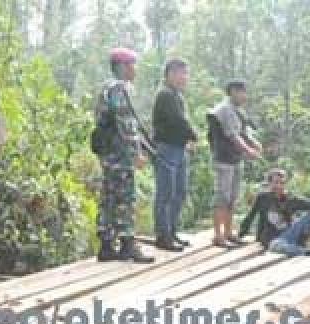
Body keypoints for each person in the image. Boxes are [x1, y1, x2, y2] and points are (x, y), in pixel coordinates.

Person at [93, 47, 153, 262]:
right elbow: (126, 125)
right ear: (123, 67)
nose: (134, 70)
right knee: (125, 198)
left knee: (108, 197)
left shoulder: (105, 89)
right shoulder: (118, 89)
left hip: (108, 154)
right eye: (131, 65)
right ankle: (127, 243)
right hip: (119, 155)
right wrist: (136, 152)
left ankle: (107, 245)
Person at [207, 79, 262, 248]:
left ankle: (229, 232)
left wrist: (254, 143)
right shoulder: (224, 110)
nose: (244, 96)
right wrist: (248, 150)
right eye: (241, 92)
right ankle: (218, 235)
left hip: (235, 159)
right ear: (232, 92)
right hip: (223, 159)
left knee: (232, 197)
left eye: (245, 92)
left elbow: (243, 132)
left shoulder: (238, 111)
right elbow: (233, 135)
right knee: (222, 197)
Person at [152, 58, 198, 252]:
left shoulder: (177, 96)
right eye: (180, 73)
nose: (184, 78)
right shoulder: (165, 95)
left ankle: (172, 231)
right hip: (166, 149)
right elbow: (178, 121)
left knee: (180, 192)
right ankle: (163, 235)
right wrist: (193, 135)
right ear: (170, 74)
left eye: (186, 73)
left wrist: (187, 140)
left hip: (179, 149)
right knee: (166, 193)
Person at [238, 168, 310, 256]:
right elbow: (250, 216)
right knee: (276, 246)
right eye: (276, 182)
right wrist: (241, 234)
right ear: (269, 183)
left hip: (289, 233)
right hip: (272, 239)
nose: (279, 186)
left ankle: (301, 242)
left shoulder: (290, 198)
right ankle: (307, 252)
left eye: (282, 183)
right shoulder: (262, 198)